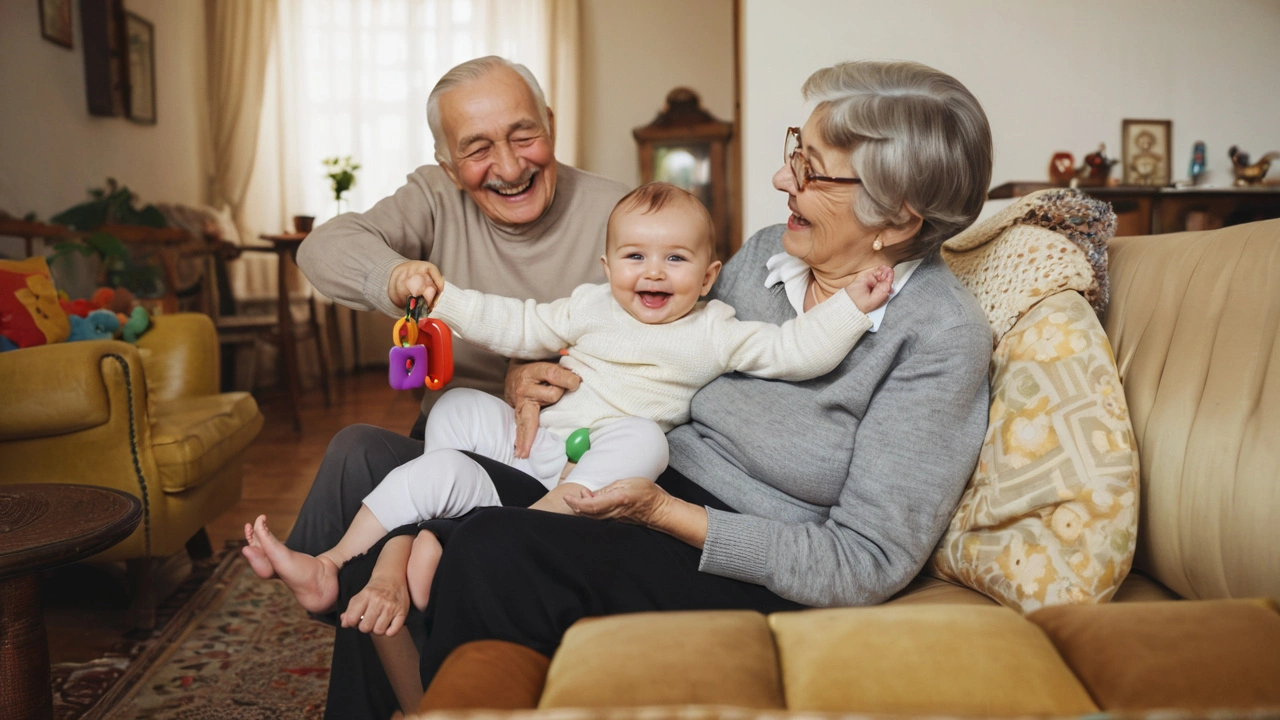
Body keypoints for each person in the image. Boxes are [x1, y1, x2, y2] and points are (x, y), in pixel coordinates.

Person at [307, 59, 996, 719]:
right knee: (401, 470)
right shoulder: (765, 256)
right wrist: (532, 377)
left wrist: (664, 513)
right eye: (797, 150)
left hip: (734, 551)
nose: (782, 175)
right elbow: (646, 344)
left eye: (813, 170)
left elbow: (865, 562)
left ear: (899, 218)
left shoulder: (936, 334)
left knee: (487, 547)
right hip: (634, 471)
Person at [245, 182, 894, 623]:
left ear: (710, 274)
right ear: (606, 263)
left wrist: (850, 308)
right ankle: (330, 564)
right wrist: (441, 297)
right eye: (634, 256)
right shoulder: (588, 306)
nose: (653, 272)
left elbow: (795, 349)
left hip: (594, 474)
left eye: (676, 258)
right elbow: (517, 324)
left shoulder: (716, 330)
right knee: (455, 411)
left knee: (647, 440)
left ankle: (520, 529)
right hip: (532, 449)